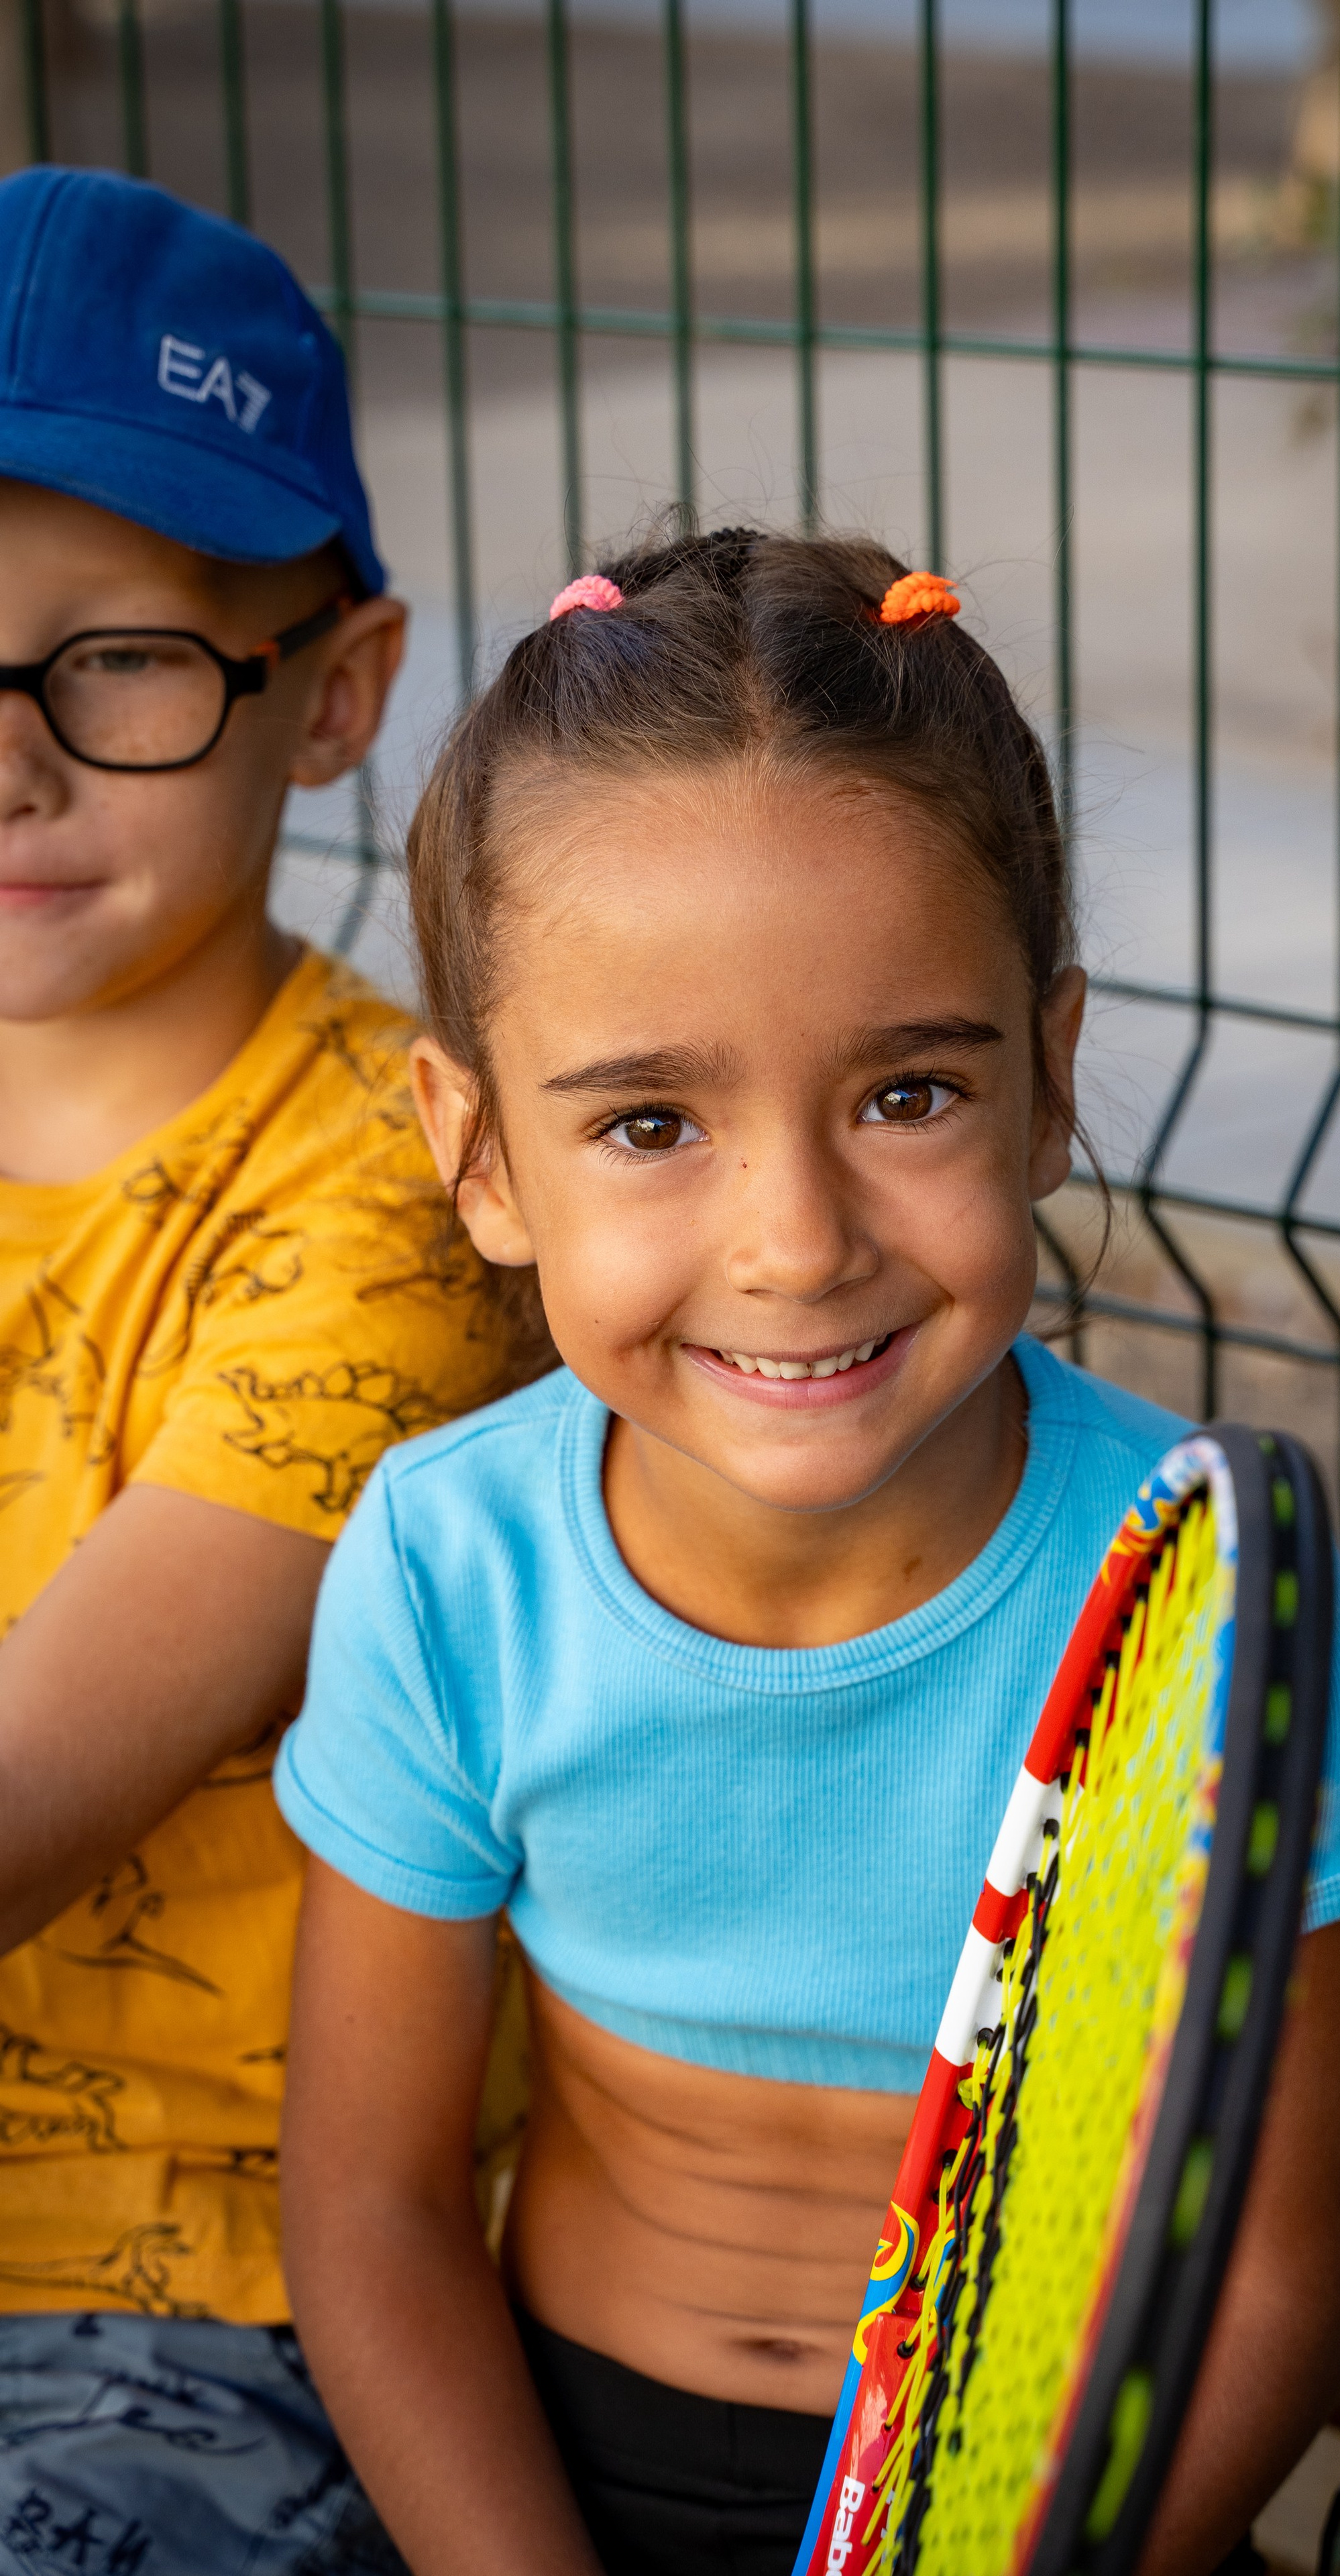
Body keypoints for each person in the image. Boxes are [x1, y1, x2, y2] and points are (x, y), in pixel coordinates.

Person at [274, 531, 1340, 2576]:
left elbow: (1268, 2277)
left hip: (1082, 2520)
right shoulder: (452, 1582)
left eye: (906, 1092)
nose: (799, 1241)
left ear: (1050, 1079)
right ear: (479, 1157)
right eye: (648, 1125)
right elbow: (371, 2214)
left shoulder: (1228, 1615)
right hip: (557, 2491)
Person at [0, 165, 539, 2575]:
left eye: (109, 664)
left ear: (329, 695)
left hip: (197, 2313)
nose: (10, 767)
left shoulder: (381, 1202)